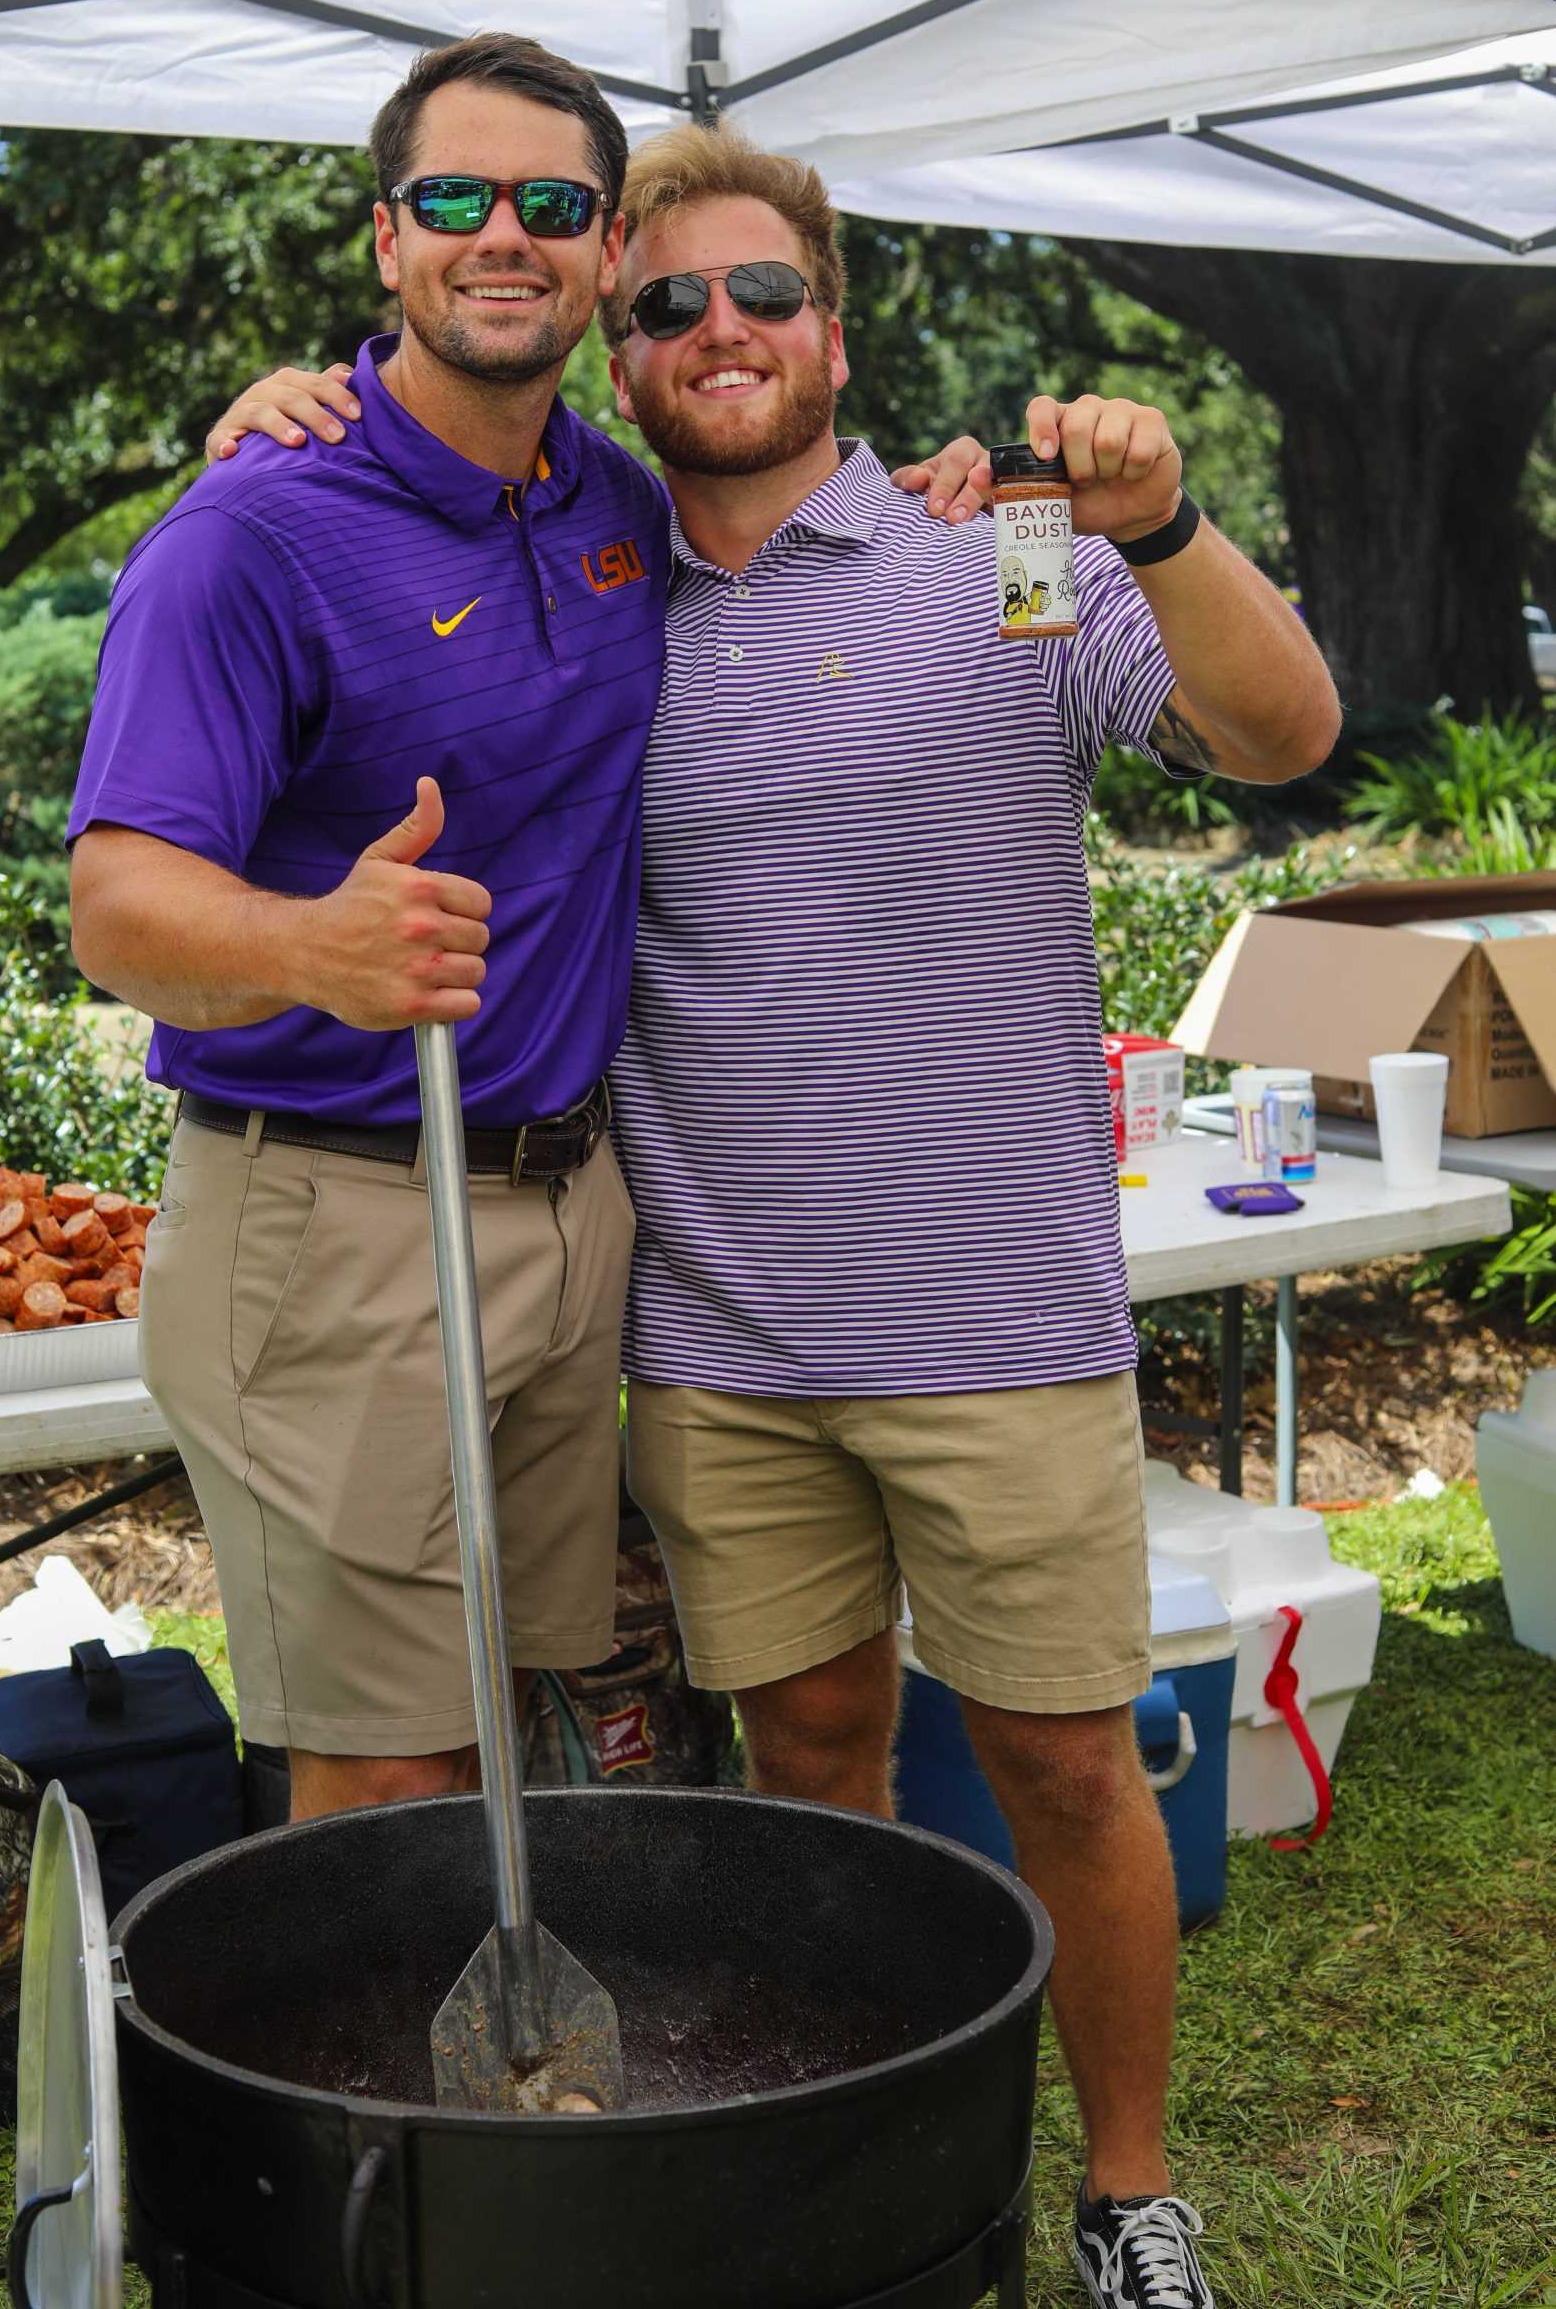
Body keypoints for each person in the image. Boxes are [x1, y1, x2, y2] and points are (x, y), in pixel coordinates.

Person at [214, 119, 1338, 2309]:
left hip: (994, 1306)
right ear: (622, 356)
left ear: (833, 324)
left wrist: (1159, 518)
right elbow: (394, 507)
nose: (712, 329)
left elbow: (1274, 728)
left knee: (1061, 1764)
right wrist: (260, 421)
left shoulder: (991, 553)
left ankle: (1126, 2196)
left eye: (758, 294)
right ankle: (869, 2149)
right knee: (804, 1769)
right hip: (715, 1345)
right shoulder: (596, 575)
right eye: (665, 305)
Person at [69, 35, 986, 1830]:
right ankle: (366, 2123)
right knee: (392, 1764)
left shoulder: (614, 503)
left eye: (554, 205)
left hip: (577, 1218)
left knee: (527, 1713)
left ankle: (502, 2091)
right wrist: (312, 946)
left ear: (599, 255)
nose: (507, 233)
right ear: (386, 242)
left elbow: (791, 486)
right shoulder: (250, 531)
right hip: (341, 1215)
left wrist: (955, 485)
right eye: (457, 199)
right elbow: (117, 904)